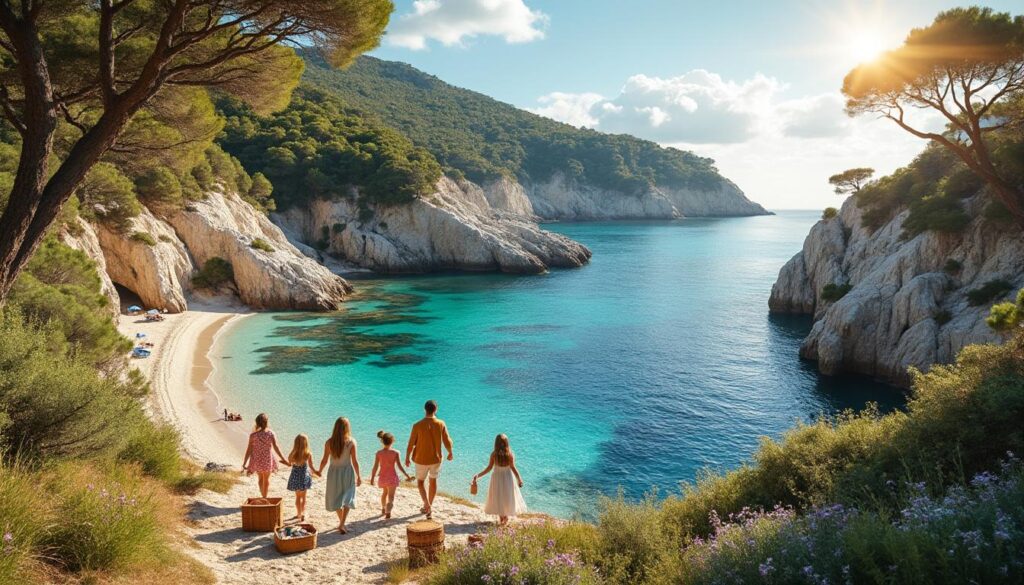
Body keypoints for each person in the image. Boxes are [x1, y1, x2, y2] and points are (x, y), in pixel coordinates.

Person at [405, 400, 453, 519]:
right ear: (436, 409)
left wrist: (407, 457)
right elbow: (447, 440)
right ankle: (429, 505)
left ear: (424, 409)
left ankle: (426, 505)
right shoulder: (441, 423)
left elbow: (411, 443)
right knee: (433, 481)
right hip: (436, 459)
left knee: (420, 482)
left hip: (420, 458)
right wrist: (450, 452)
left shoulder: (417, 425)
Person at [472, 434, 527, 526]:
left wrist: (478, 475)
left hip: (497, 478)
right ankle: (505, 518)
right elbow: (513, 468)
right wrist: (519, 479)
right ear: (506, 443)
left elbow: (489, 468)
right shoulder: (510, 454)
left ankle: (502, 518)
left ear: (496, 443)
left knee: (499, 497)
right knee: (507, 497)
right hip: (508, 478)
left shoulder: (494, 454)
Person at [318, 417, 361, 534]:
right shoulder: (351, 442)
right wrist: (359, 476)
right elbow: (355, 461)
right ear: (347, 428)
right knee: (348, 497)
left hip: (333, 473)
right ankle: (342, 524)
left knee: (335, 497)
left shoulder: (329, 442)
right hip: (347, 472)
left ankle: (341, 523)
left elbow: (324, 460)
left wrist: (319, 471)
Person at [240, 413, 288, 498]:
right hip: (267, 459)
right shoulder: (271, 434)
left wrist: (244, 462)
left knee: (260, 479)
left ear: (257, 423)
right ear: (267, 422)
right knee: (266, 479)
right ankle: (264, 497)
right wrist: (283, 458)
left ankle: (263, 496)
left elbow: (249, 450)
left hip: (257, 459)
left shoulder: (253, 436)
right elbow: (276, 447)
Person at [370, 430, 412, 519]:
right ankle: (388, 511)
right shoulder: (395, 453)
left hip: (382, 477)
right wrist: (407, 475)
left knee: (384, 493)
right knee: (391, 497)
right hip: (392, 477)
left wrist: (372, 478)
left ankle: (383, 508)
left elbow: (375, 467)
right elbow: (400, 466)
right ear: (392, 441)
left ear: (382, 441)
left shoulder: (379, 453)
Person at [286, 434, 319, 522]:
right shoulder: (308, 453)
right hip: (304, 477)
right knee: (304, 497)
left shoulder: (293, 453)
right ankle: (303, 513)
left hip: (295, 477)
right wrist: (317, 472)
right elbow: (311, 466)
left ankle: (298, 513)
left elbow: (289, 462)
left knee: (297, 497)